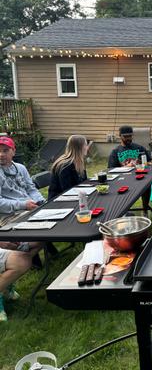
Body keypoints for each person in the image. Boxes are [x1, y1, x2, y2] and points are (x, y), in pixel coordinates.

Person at [0, 136, 44, 321]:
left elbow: (30, 188)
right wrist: (22, 204)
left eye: (5, 150)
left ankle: (9, 279)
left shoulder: (21, 168)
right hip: (7, 219)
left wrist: (40, 200)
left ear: (13, 151)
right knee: (24, 255)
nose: (1, 154)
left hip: (26, 212)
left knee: (44, 238)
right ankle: (5, 285)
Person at [108, 125, 152, 216]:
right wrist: (126, 167)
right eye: (126, 136)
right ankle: (123, 211)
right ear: (120, 136)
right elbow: (110, 170)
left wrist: (142, 164)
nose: (128, 138)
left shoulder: (139, 148)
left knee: (147, 185)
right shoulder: (115, 151)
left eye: (130, 136)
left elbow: (149, 162)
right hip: (123, 179)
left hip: (140, 177)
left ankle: (145, 210)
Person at [48, 135, 89, 200]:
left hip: (72, 197)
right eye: (86, 145)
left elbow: (84, 181)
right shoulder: (66, 166)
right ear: (79, 147)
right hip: (58, 201)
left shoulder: (78, 162)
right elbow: (67, 190)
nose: (87, 147)